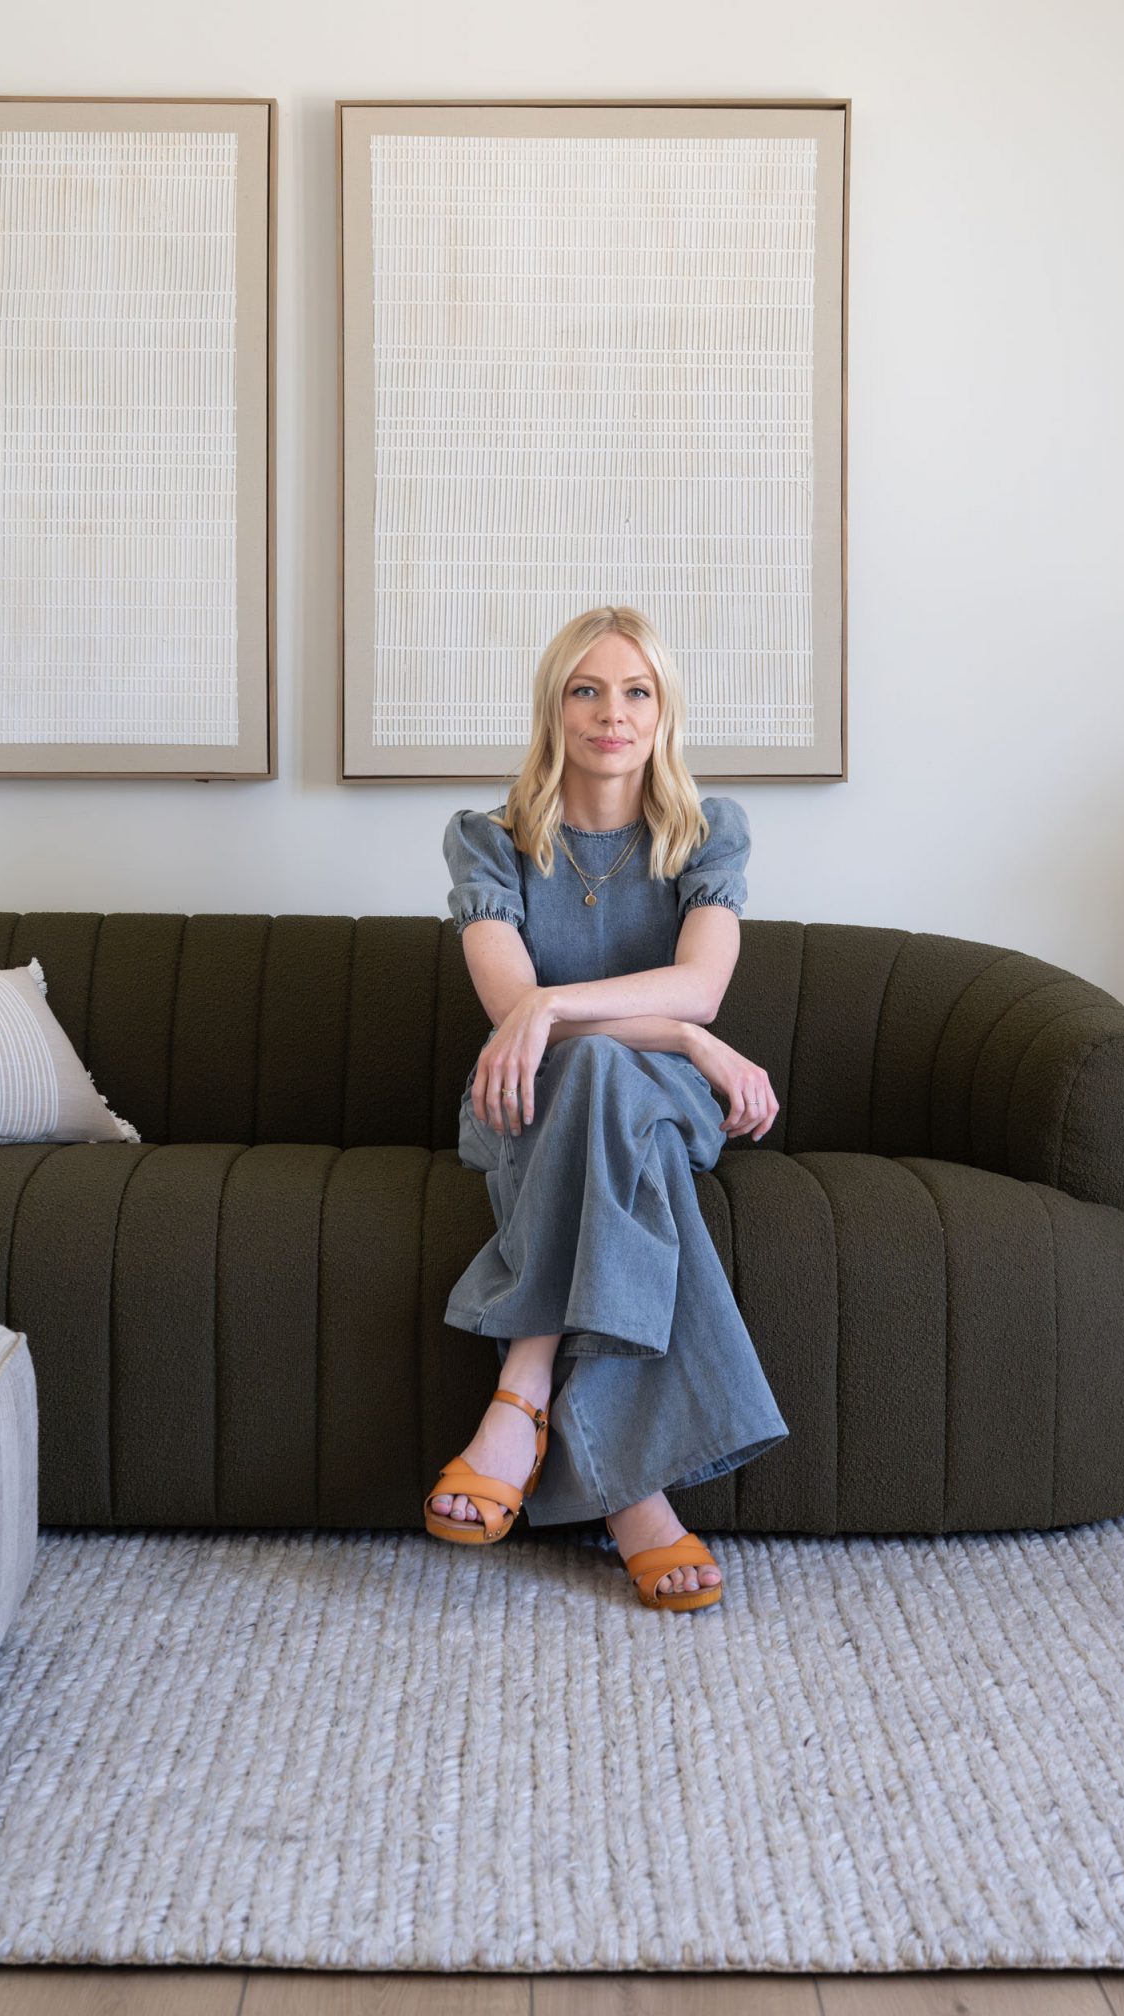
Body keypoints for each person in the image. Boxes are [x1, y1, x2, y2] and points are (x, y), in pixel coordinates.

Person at [424, 603, 789, 1612]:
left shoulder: (707, 834)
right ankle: (636, 1502)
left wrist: (577, 1007)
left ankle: (521, 1391)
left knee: (599, 1082)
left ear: (663, 710)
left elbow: (698, 986)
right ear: (554, 708)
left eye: (636, 690)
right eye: (586, 689)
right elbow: (516, 1018)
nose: (611, 712)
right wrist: (674, 1034)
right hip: (523, 1101)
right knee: (589, 1089)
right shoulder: (489, 843)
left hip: (660, 1101)